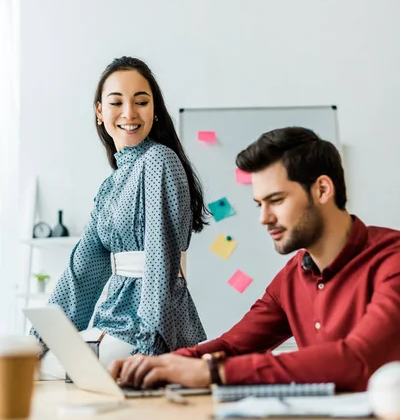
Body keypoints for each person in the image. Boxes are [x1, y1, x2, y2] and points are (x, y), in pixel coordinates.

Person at [109, 126, 400, 393]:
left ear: (322, 190)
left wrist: (212, 371)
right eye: (260, 204)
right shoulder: (291, 277)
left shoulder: (392, 261)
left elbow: (357, 360)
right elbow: (233, 346)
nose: (264, 218)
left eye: (276, 200)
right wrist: (160, 364)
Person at [32, 56, 207, 378]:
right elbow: (83, 267)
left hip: (147, 325)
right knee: (36, 362)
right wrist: (42, 336)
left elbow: (160, 258)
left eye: (141, 102)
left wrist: (151, 344)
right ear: (100, 111)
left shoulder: (159, 160)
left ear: (155, 111)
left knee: (52, 371)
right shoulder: (112, 182)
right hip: (112, 321)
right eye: (116, 102)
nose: (129, 113)